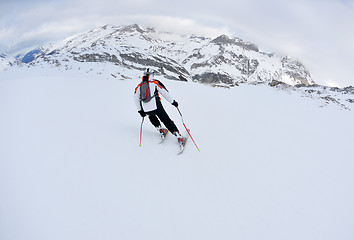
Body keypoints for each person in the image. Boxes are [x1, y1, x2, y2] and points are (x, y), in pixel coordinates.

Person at [134, 68, 186, 144]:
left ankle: (160, 129)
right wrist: (173, 102)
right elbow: (165, 93)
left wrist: (140, 111)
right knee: (166, 120)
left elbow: (135, 98)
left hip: (145, 108)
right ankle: (178, 136)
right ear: (152, 74)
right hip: (156, 105)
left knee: (151, 116)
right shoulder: (155, 83)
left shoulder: (139, 86)